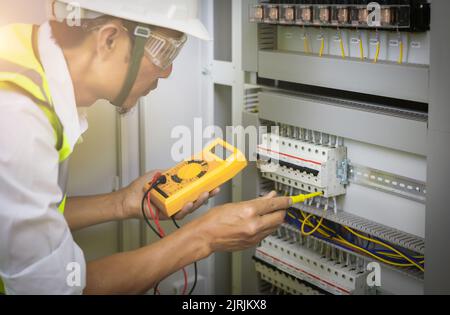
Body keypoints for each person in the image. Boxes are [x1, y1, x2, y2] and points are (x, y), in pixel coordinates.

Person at [0, 0, 290, 295]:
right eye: (164, 51)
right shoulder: (18, 120)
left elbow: (21, 218)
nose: (166, 72)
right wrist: (203, 237)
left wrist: (122, 202)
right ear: (109, 39)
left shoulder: (21, 56)